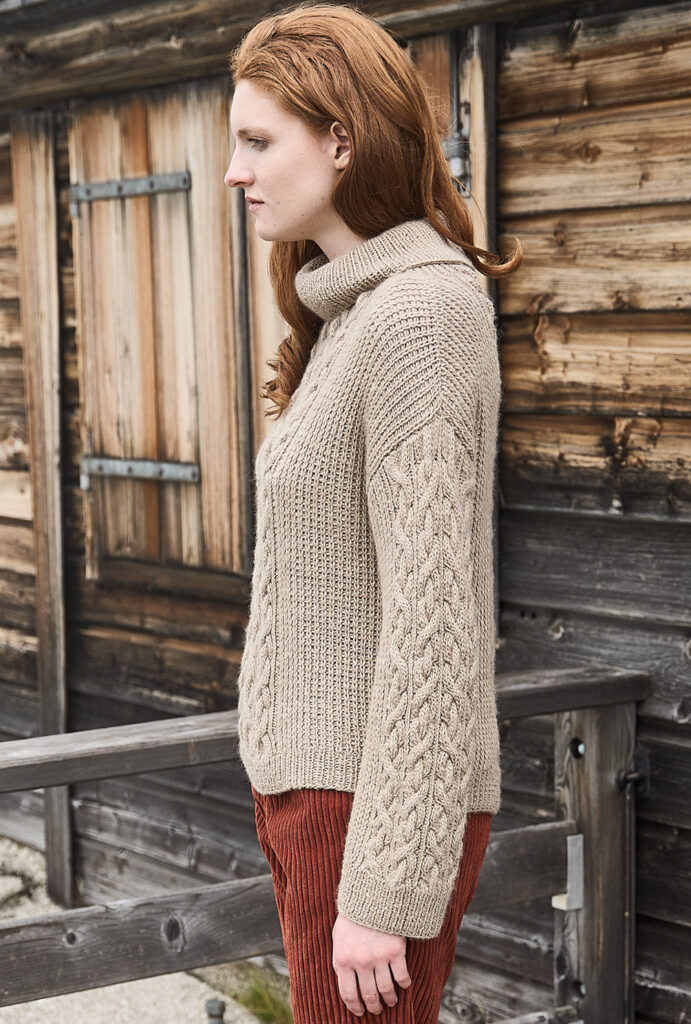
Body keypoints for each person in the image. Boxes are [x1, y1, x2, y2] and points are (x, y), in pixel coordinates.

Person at [224, 3, 522, 1021]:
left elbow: (434, 624)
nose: (234, 171)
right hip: (316, 795)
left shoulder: (420, 313)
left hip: (366, 815)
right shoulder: (351, 309)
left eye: (258, 140)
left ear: (341, 141)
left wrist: (383, 892)